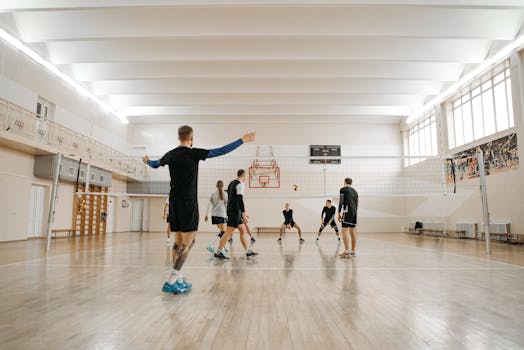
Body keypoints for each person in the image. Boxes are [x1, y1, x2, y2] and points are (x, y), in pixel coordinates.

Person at [144, 126, 256, 294]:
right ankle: (172, 279)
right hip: (188, 202)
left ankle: (178, 278)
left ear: (178, 137)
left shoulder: (170, 154)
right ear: (191, 137)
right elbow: (220, 151)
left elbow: (155, 164)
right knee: (189, 242)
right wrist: (242, 140)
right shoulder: (193, 153)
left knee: (178, 242)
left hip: (174, 202)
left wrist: (146, 161)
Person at [212, 169, 258, 259]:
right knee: (229, 232)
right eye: (245, 176)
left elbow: (232, 198)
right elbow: (240, 199)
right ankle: (218, 251)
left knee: (243, 230)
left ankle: (248, 251)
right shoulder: (240, 184)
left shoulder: (231, 183)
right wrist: (243, 213)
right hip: (234, 211)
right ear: (243, 175)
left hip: (233, 211)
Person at [205, 180, 228, 254]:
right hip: (222, 215)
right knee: (224, 233)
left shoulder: (213, 194)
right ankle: (212, 245)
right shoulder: (225, 194)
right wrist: (228, 215)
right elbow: (226, 205)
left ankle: (223, 248)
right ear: (222, 185)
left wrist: (206, 215)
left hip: (214, 215)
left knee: (222, 232)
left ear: (216, 185)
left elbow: (208, 205)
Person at [338, 178, 359, 258]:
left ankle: (346, 252)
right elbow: (357, 203)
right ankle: (353, 252)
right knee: (353, 231)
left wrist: (339, 212)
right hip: (354, 213)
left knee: (344, 231)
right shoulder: (355, 191)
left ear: (345, 182)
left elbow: (341, 201)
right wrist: (354, 213)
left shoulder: (343, 189)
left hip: (347, 212)